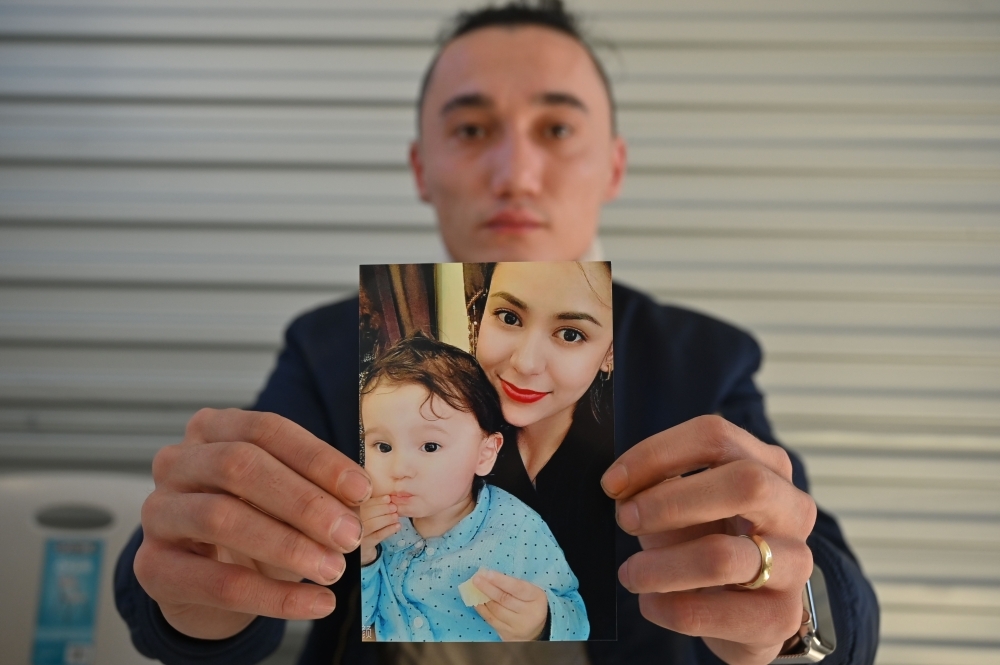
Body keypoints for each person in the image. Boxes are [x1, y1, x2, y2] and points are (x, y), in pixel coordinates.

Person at [114, 2, 880, 664]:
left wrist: (787, 614)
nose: (516, 171)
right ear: (422, 168)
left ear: (612, 167)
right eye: (473, 128)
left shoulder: (703, 364)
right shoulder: (329, 350)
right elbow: (197, 580)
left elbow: (840, 605)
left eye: (555, 128)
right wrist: (202, 591)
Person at [359, 334, 588, 641]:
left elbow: (576, 619)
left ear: (485, 454)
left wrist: (541, 624)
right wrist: (363, 558)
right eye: (382, 446)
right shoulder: (370, 527)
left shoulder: (519, 530)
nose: (399, 470)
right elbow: (358, 623)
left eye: (429, 446)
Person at [473, 261, 618, 640]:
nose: (525, 362)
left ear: (610, 354)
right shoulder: (451, 437)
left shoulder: (632, 468)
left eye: (570, 334)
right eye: (508, 316)